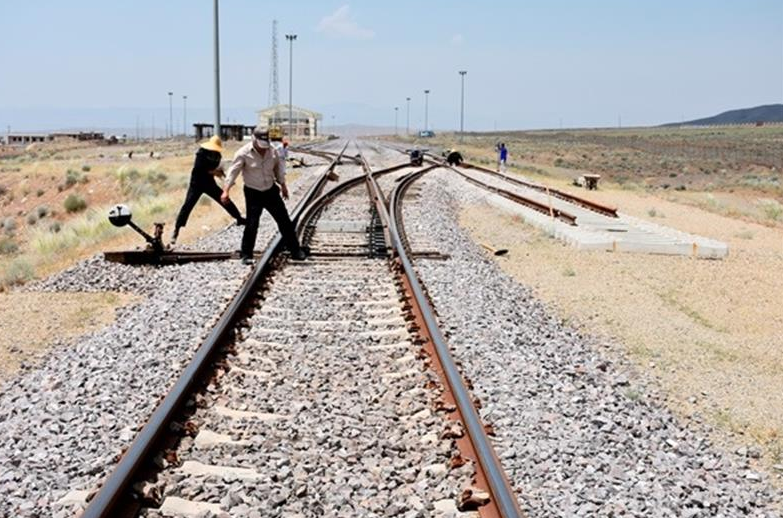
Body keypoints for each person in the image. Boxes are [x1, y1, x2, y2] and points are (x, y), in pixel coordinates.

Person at [221, 126, 306, 264]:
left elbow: (278, 169)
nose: (263, 149)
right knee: (252, 224)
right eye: (261, 145)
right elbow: (233, 172)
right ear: (254, 139)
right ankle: (246, 254)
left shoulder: (272, 151)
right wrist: (226, 191)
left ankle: (295, 250)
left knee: (284, 221)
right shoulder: (243, 153)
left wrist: (283, 185)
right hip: (253, 192)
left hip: (270, 191)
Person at [170, 135, 245, 246]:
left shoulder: (217, 155)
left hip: (209, 183)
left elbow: (216, 169)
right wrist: (215, 172)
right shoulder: (201, 153)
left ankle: (239, 218)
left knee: (224, 199)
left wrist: (223, 176)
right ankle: (176, 230)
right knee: (187, 206)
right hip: (196, 184)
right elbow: (200, 169)